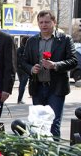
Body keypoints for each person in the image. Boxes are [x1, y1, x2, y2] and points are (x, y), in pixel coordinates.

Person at [20, 10, 77, 138]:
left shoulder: (65, 39)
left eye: (47, 22)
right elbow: (23, 61)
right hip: (37, 87)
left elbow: (73, 61)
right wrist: (31, 68)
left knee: (53, 124)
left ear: (54, 22)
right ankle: (41, 155)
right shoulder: (32, 41)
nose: (44, 25)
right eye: (41, 22)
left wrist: (55, 65)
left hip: (56, 88)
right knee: (38, 124)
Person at [16, 36, 29, 104]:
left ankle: (20, 98)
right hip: (25, 69)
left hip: (18, 69)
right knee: (23, 84)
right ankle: (19, 99)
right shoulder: (27, 50)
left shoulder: (18, 49)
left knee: (21, 84)